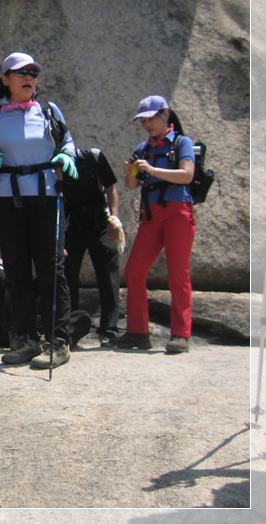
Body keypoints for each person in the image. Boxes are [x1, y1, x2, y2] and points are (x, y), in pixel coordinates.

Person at [0, 51, 78, 369]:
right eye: (21, 72)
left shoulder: (49, 111)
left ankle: (58, 341)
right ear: (5, 80)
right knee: (15, 271)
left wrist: (67, 157)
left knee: (51, 269)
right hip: (6, 201)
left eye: (33, 72)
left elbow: (68, 143)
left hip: (47, 199)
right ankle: (26, 339)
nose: (29, 77)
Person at [110, 95, 196, 354]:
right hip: (151, 216)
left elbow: (187, 175)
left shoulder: (182, 142)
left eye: (150, 119)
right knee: (135, 270)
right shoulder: (143, 148)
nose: (146, 124)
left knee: (178, 274)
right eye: (143, 120)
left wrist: (152, 169)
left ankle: (181, 335)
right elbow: (132, 186)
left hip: (178, 213)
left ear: (165, 115)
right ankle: (138, 331)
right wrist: (131, 172)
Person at [62, 147, 124, 342]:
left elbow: (111, 189)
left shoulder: (93, 157)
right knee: (67, 274)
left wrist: (114, 219)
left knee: (108, 275)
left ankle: (110, 329)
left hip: (100, 223)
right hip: (73, 225)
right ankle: (70, 328)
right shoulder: (55, 165)